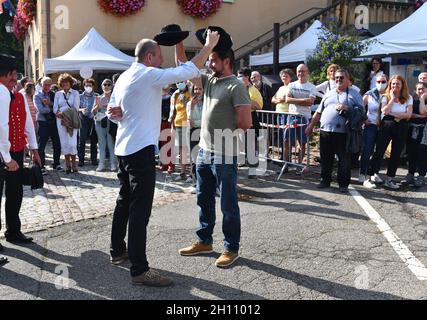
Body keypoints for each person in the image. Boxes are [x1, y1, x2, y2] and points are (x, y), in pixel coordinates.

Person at [107, 29, 220, 287]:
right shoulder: (148, 74)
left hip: (124, 149)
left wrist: (116, 112)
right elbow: (188, 71)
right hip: (138, 151)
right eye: (158, 57)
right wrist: (208, 46)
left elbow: (113, 110)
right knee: (139, 210)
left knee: (124, 201)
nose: (161, 62)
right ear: (149, 57)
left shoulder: (125, 75)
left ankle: (117, 250)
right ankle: (139, 270)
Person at [178, 26, 252, 268]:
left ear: (226, 61)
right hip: (204, 152)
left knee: (228, 203)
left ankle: (231, 248)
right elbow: (184, 68)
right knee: (204, 198)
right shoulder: (209, 81)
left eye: (212, 60)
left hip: (224, 154)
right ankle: (205, 241)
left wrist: (224, 140)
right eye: (208, 60)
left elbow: (245, 122)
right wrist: (177, 41)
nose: (209, 64)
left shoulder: (236, 86)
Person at [306, 69, 364, 193]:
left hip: (344, 133)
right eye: (337, 77)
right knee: (326, 158)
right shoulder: (329, 93)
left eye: (341, 77)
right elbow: (318, 112)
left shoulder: (355, 94)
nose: (338, 79)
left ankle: (343, 184)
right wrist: (311, 126)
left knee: (344, 160)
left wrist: (347, 108)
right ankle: (325, 180)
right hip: (326, 131)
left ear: (348, 80)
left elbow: (362, 113)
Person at [3, 64, 41, 244]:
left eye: (14, 75)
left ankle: (13, 231)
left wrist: (34, 149)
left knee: (15, 192)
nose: (14, 78)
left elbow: (28, 125)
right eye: (10, 74)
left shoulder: (19, 97)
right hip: (2, 152)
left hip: (16, 150)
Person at [364, 75, 413, 189]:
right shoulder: (386, 96)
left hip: (402, 126)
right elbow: (385, 111)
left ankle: (390, 179)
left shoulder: (408, 97)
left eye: (398, 84)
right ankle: (369, 177)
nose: (395, 86)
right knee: (379, 151)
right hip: (387, 124)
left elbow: (408, 115)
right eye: (393, 84)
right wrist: (391, 99)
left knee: (396, 153)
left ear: (402, 85)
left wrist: (394, 114)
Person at [0, 54, 20, 266]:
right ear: (7, 75)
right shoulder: (2, 92)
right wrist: (7, 158)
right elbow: (1, 127)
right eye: (14, 73)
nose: (15, 77)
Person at [358, 74, 388, 183]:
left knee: (379, 151)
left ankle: (374, 173)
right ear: (375, 82)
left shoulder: (389, 95)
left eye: (383, 81)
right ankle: (362, 173)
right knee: (367, 150)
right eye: (379, 81)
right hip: (371, 125)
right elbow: (359, 107)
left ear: (387, 82)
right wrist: (364, 119)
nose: (381, 84)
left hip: (384, 127)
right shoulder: (370, 94)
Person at [286, 64, 317, 163]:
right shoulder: (291, 85)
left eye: (303, 71)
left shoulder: (312, 87)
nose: (301, 73)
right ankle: (287, 164)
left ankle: (299, 165)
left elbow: (311, 102)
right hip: (292, 116)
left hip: (305, 118)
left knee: (302, 143)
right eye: (299, 71)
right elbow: (287, 99)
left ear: (307, 72)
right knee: (287, 142)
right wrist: (304, 99)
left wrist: (294, 100)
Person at [33, 76, 62, 171]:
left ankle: (56, 163)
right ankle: (41, 166)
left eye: (49, 84)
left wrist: (49, 105)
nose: (47, 86)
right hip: (43, 122)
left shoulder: (54, 94)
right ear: (41, 84)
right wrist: (51, 108)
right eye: (45, 84)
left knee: (57, 143)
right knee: (42, 145)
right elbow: (40, 110)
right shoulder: (37, 95)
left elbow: (58, 108)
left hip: (53, 122)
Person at [54, 73, 80, 174]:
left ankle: (74, 163)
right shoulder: (58, 94)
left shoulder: (75, 93)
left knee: (72, 143)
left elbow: (76, 107)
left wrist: (66, 115)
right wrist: (58, 114)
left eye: (67, 82)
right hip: (60, 120)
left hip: (72, 119)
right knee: (64, 142)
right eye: (63, 82)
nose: (65, 84)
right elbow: (55, 108)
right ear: (60, 84)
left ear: (70, 83)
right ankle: (67, 164)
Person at [401, 82, 427, 187]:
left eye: (422, 89)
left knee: (422, 153)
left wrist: (422, 99)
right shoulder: (411, 99)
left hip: (424, 130)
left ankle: (421, 176)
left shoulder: (421, 99)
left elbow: (422, 111)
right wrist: (419, 116)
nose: (420, 91)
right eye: (418, 89)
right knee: (411, 153)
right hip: (412, 129)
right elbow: (409, 114)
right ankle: (410, 174)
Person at [237, 67, 263, 171]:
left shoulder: (254, 90)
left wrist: (245, 101)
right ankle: (241, 161)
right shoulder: (237, 89)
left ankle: (253, 165)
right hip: (238, 118)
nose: (237, 78)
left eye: (240, 77)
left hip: (251, 118)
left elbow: (259, 106)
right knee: (240, 141)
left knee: (250, 142)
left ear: (246, 77)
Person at [92, 78, 117, 172]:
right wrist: (98, 107)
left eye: (108, 84)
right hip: (99, 122)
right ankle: (101, 164)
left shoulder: (114, 97)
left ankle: (113, 164)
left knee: (111, 144)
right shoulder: (99, 97)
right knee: (101, 144)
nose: (106, 86)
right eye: (104, 84)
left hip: (111, 122)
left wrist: (110, 108)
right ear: (102, 86)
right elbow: (93, 112)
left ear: (111, 86)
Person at [169, 81, 191, 181]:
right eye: (177, 82)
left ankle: (192, 173)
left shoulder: (191, 91)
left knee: (190, 149)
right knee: (182, 149)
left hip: (189, 123)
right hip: (178, 123)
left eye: (181, 82)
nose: (179, 84)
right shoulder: (175, 94)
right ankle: (182, 173)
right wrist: (172, 124)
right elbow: (172, 110)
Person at [272, 68, 293, 161]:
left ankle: (287, 159)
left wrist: (279, 100)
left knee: (287, 138)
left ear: (290, 77)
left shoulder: (292, 87)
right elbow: (273, 99)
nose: (284, 77)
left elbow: (286, 99)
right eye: (282, 75)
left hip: (288, 114)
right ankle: (283, 157)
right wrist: (279, 100)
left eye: (286, 75)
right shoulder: (280, 88)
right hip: (279, 114)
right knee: (281, 137)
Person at [186, 84, 204, 193]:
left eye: (200, 88)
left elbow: (208, 120)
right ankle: (196, 183)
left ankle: (209, 184)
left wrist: (199, 122)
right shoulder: (189, 104)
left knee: (207, 158)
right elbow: (190, 121)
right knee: (194, 158)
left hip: (205, 131)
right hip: (193, 132)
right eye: (196, 89)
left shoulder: (208, 103)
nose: (197, 91)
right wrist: (192, 108)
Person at [78, 78, 98, 167]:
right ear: (84, 86)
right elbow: (75, 108)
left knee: (94, 141)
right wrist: (81, 110)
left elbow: (99, 107)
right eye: (86, 85)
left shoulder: (97, 96)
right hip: (83, 119)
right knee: (82, 140)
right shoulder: (79, 96)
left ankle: (94, 159)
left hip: (94, 119)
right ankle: (81, 159)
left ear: (93, 86)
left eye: (90, 85)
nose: (88, 87)